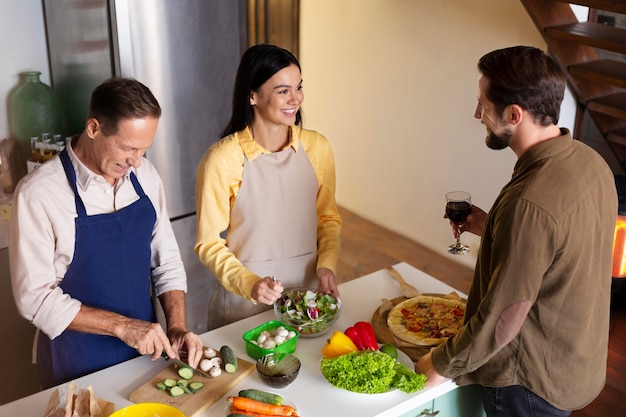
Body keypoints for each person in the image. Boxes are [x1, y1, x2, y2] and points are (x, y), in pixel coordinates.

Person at [415, 46, 618, 416]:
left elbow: (503, 319)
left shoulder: (528, 202)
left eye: (482, 105)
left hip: (526, 382)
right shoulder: (593, 163)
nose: (477, 114)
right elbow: (560, 247)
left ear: (514, 114)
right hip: (573, 364)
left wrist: (442, 363)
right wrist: (492, 224)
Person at [9, 77, 203, 389]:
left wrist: (177, 326)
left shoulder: (145, 175)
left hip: (144, 355)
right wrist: (123, 326)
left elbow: (165, 260)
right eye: (127, 147)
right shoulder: (39, 194)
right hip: (74, 364)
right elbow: (34, 298)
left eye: (143, 149)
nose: (136, 161)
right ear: (94, 128)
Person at [195, 44, 342, 329]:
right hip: (243, 307)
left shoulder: (317, 147)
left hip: (308, 299)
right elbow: (208, 243)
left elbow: (328, 219)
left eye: (298, 87)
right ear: (253, 95)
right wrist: (249, 284)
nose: (295, 99)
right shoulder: (223, 158)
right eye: (282, 90)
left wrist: (327, 265)